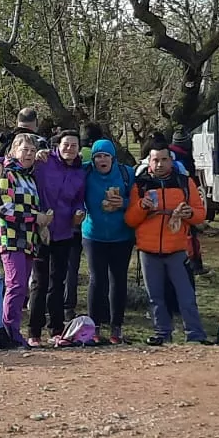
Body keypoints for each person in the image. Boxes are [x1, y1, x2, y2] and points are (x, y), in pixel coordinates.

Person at [127, 144, 209, 345]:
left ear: (171, 161)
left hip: (177, 249)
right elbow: (130, 220)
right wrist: (140, 207)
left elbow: (200, 213)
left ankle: (195, 334)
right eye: (156, 160)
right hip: (148, 250)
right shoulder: (140, 184)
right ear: (149, 161)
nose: (160, 164)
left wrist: (189, 214)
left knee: (186, 296)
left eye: (164, 159)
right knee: (155, 297)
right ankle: (162, 334)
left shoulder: (183, 182)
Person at [0, 132, 45, 345]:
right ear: (14, 151)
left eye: (32, 151)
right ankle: (8, 331)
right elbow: (4, 208)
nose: (28, 154)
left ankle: (13, 331)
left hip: (29, 238)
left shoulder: (29, 177)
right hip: (9, 237)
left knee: (22, 288)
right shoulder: (5, 174)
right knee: (15, 285)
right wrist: (34, 217)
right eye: (24, 150)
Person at [29, 131, 85, 342]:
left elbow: (80, 199)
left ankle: (56, 330)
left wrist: (80, 212)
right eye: (66, 144)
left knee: (58, 281)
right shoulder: (43, 162)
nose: (69, 148)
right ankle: (34, 332)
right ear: (57, 146)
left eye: (74, 145)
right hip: (40, 230)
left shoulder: (81, 172)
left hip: (64, 232)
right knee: (39, 282)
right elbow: (16, 161)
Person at [81, 139, 136, 343]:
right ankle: (94, 326)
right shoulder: (85, 172)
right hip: (93, 235)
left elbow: (138, 201)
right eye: (97, 156)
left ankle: (116, 327)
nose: (101, 160)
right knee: (97, 280)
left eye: (105, 156)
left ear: (113, 158)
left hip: (122, 235)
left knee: (118, 280)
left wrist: (125, 202)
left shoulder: (126, 174)